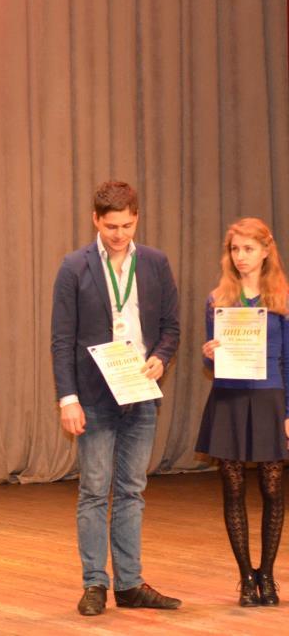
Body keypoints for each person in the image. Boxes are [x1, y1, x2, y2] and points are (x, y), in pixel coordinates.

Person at [50, 180, 181, 616]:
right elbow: (61, 340)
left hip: (140, 393)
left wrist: (161, 358)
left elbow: (171, 328)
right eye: (111, 227)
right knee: (93, 490)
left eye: (126, 225)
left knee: (132, 490)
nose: (119, 234)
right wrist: (67, 399)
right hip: (93, 396)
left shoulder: (156, 263)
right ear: (95, 220)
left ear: (136, 218)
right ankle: (95, 583)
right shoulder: (74, 267)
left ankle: (129, 583)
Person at [197, 217, 288, 607]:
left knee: (272, 489)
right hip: (229, 400)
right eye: (235, 249)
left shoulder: (282, 300)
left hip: (270, 399)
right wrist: (210, 354)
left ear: (266, 251)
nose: (241, 257)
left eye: (248, 249)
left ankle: (267, 574)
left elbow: (288, 360)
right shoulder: (218, 300)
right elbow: (214, 363)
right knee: (232, 490)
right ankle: (246, 578)